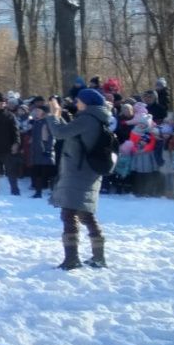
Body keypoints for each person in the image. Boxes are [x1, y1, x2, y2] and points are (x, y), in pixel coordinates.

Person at [48, 89, 110, 270]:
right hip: (87, 172)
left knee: (69, 215)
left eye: (79, 101)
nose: (76, 103)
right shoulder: (96, 118)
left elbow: (59, 133)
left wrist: (53, 115)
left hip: (78, 173)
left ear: (87, 102)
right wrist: (59, 117)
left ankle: (72, 259)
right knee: (86, 214)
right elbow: (70, 133)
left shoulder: (87, 119)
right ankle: (98, 257)